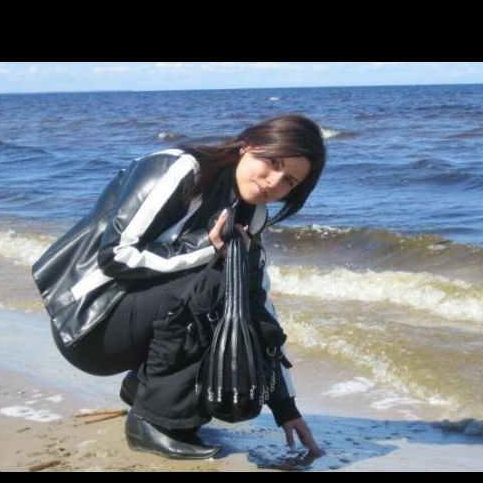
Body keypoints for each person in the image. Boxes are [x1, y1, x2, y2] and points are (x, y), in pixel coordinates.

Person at [32, 114, 326, 461]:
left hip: (135, 329)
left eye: (289, 181)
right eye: (273, 162)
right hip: (88, 322)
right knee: (219, 283)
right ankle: (151, 422)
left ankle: (146, 389)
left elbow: (257, 306)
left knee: (236, 292)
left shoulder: (252, 216)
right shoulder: (182, 169)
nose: (273, 181)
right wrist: (207, 247)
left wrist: (285, 406)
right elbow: (115, 255)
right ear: (249, 144)